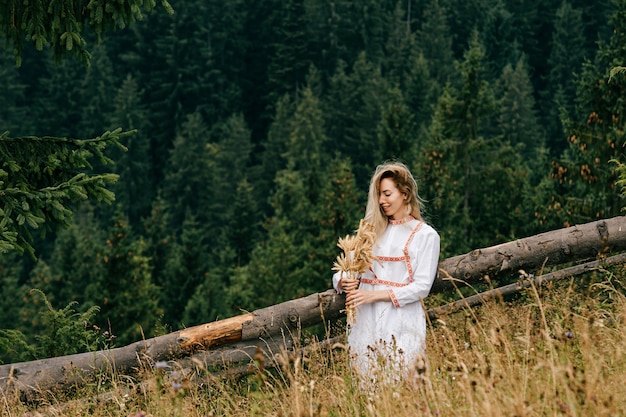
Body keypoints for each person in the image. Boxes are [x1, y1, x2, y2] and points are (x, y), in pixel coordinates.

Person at [332, 161, 440, 386]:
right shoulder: (371, 232)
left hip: (401, 318)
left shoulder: (425, 236)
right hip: (365, 320)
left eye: (387, 194)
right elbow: (344, 268)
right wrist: (344, 281)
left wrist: (374, 295)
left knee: (400, 380)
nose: (381, 201)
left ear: (405, 193)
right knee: (367, 383)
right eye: (379, 195)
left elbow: (422, 287)